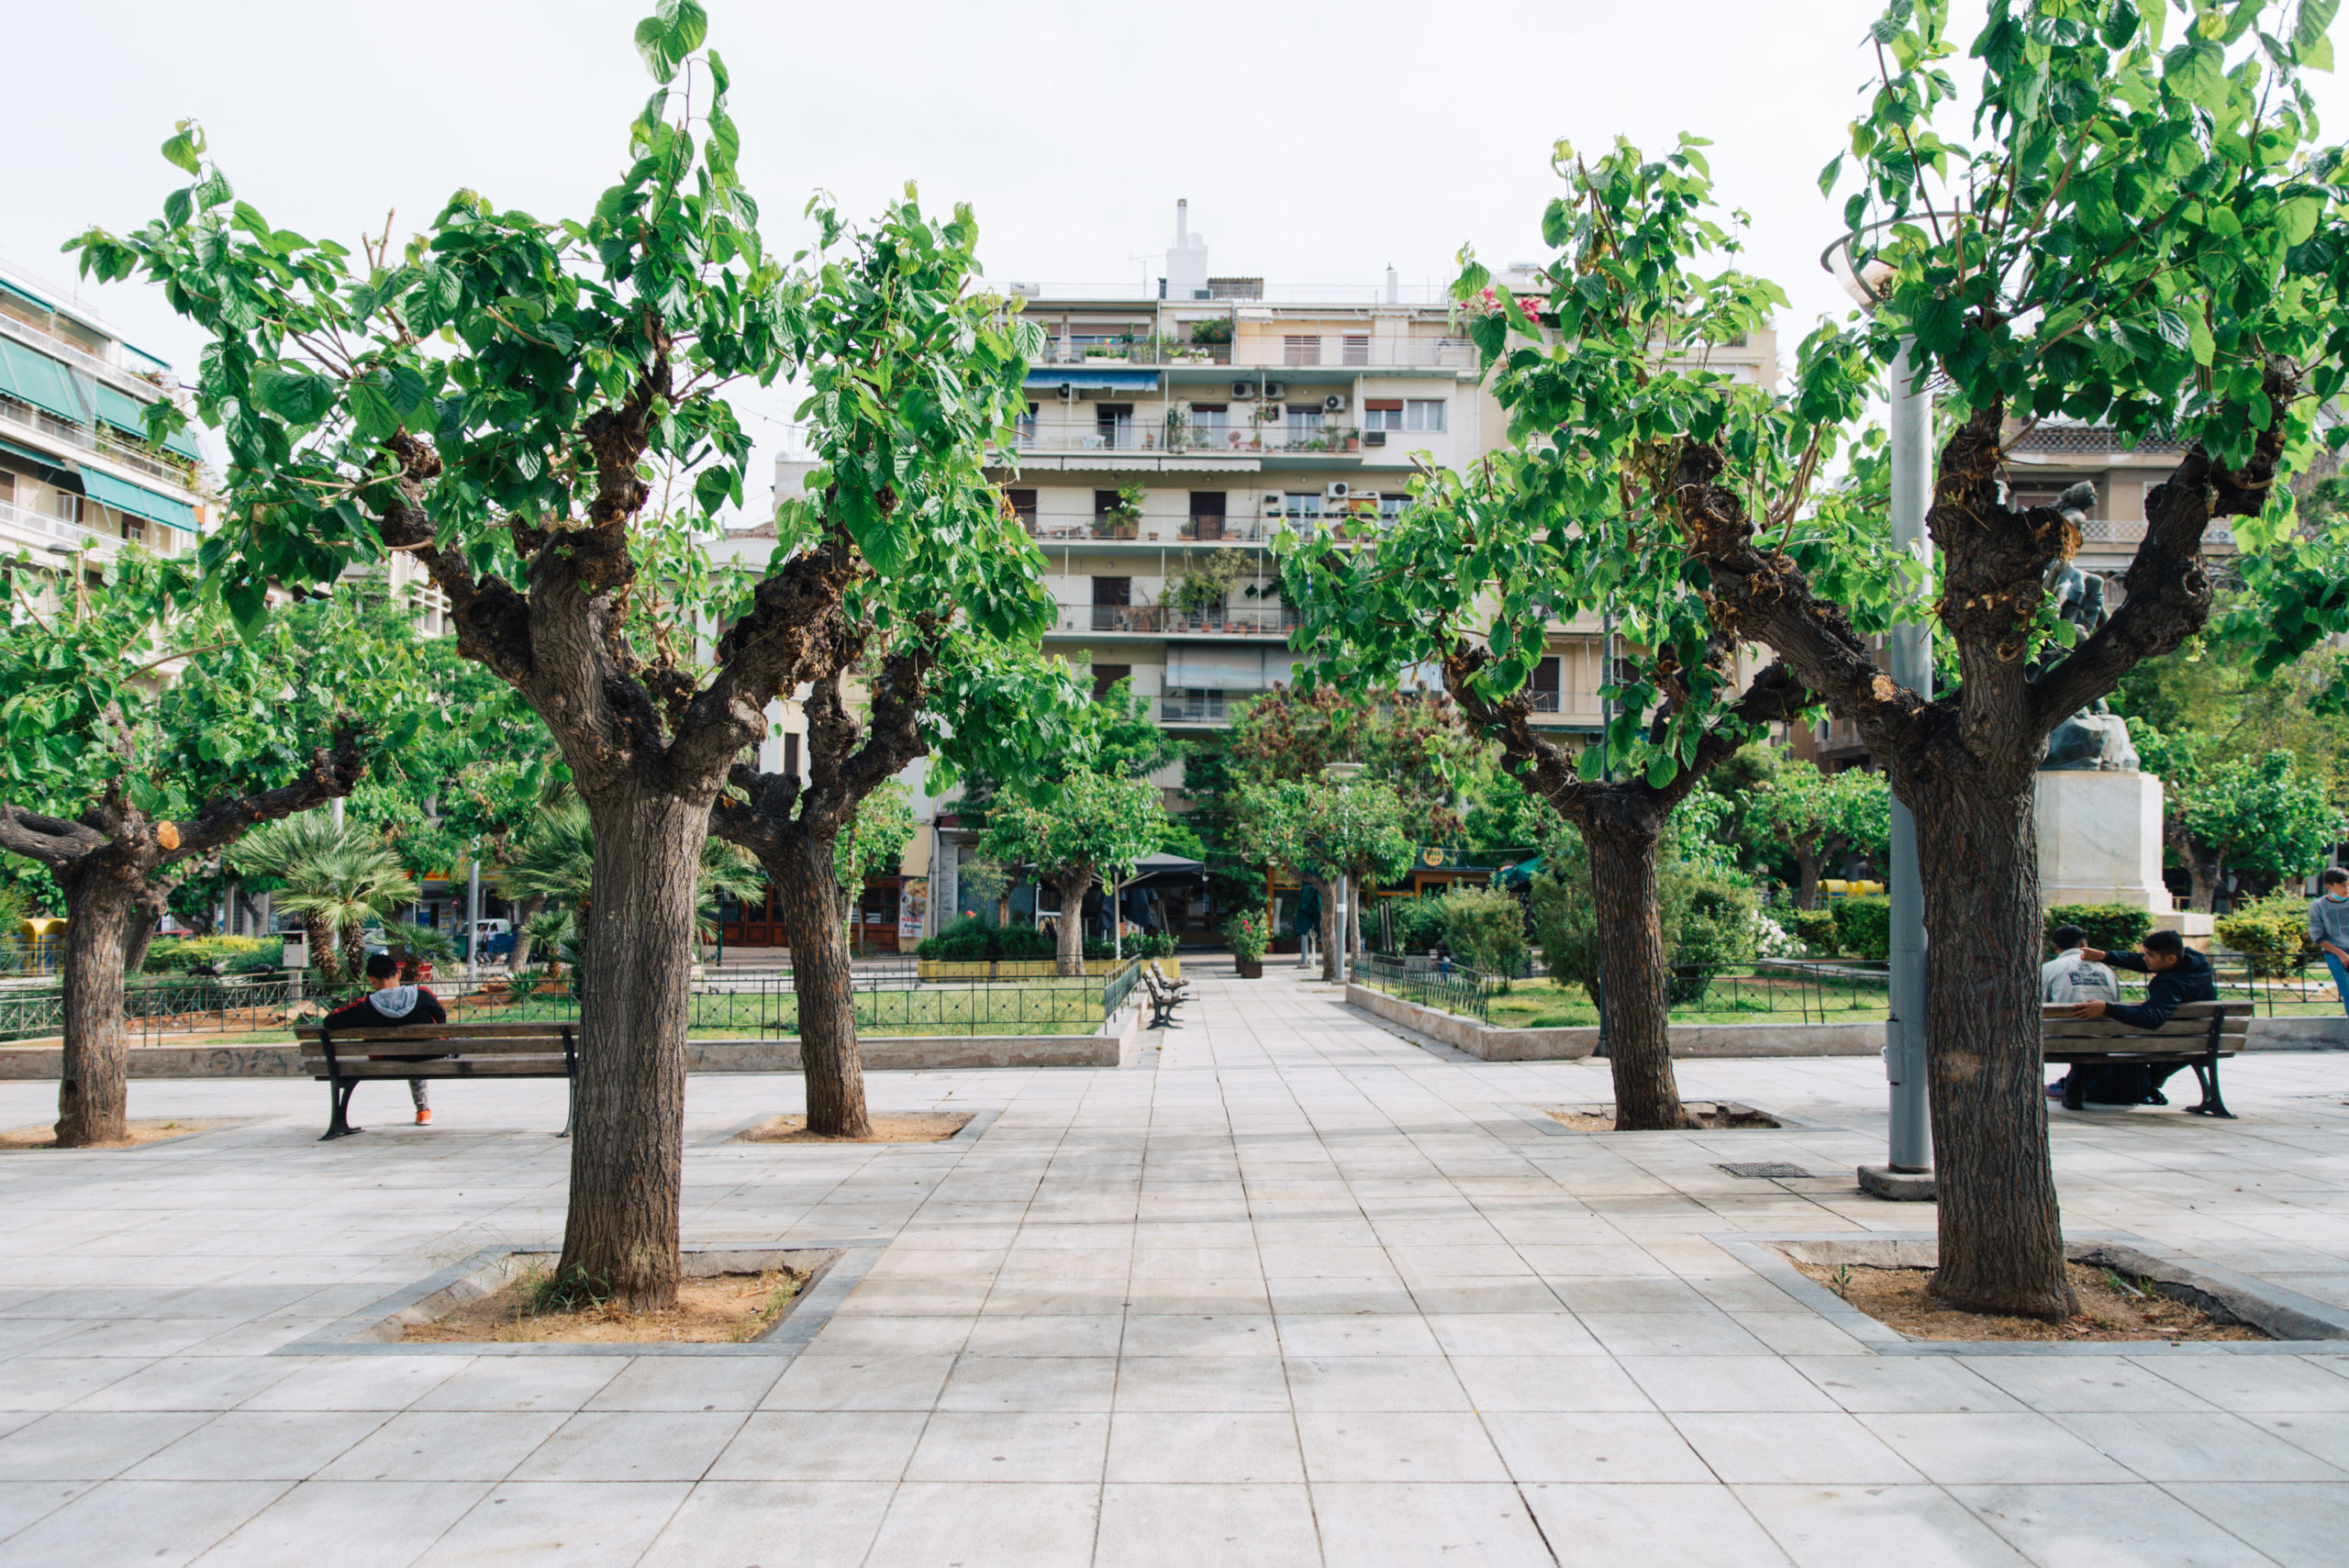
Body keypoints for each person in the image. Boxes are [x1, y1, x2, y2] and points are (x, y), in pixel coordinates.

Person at [2066, 929, 2217, 1106]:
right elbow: (2142, 962)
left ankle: (2074, 1091)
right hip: (2200, 1041)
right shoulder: (2195, 961)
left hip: (2170, 1044)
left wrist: (2107, 1008)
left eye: (2150, 955)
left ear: (2171, 959)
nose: (2145, 958)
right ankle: (2151, 1081)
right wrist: (2106, 956)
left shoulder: (2169, 984)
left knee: (2094, 1038)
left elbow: (2152, 1018)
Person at [322, 951, 448, 1126]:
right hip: (426, 1055)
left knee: (406, 1052)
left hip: (385, 1058)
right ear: (399, 973)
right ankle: (423, 1111)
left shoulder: (365, 1006)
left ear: (371, 980)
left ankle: (423, 1110)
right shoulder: (423, 996)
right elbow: (442, 1019)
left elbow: (330, 1021)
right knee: (416, 1051)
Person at [2041, 925, 2120, 1105]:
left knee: (2072, 1030)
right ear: (2084, 944)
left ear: (2056, 948)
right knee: (2087, 1031)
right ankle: (2074, 1088)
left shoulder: (2049, 969)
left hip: (2061, 1040)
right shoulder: (2107, 970)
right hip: (2106, 1039)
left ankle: (2069, 1088)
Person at [2311, 867, 2349, 1017]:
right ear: (2329, 887)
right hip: (2334, 954)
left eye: (2348, 885)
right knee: (2347, 992)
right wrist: (2341, 954)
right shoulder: (2319, 905)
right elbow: (2317, 935)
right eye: (2342, 885)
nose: (2346, 889)